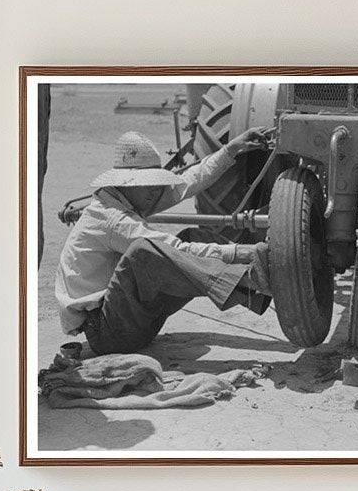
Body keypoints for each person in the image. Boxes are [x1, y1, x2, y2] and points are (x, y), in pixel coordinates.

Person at [55, 127, 274, 355]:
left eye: (154, 184)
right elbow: (176, 250)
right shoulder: (112, 219)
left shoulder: (129, 198)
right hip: (110, 334)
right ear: (126, 184)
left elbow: (190, 180)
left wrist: (232, 148)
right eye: (147, 185)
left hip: (135, 322)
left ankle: (254, 285)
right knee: (144, 252)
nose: (154, 192)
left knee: (192, 235)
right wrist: (244, 252)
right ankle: (254, 280)